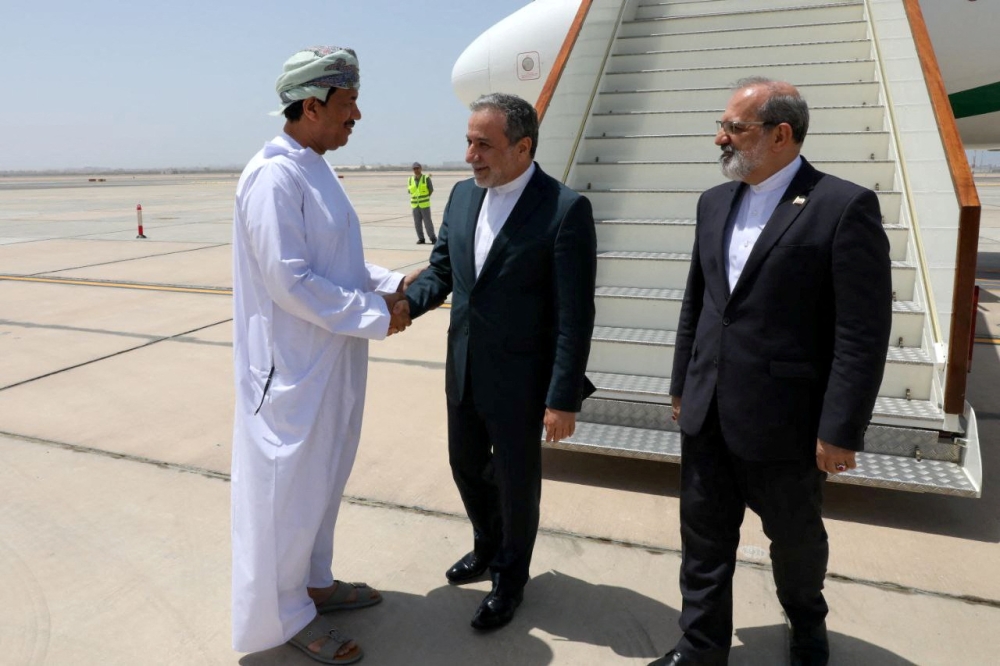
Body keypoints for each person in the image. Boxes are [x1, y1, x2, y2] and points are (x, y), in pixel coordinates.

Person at [652, 78, 892, 666]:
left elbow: (861, 332)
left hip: (787, 422)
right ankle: (701, 648)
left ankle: (807, 621)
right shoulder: (714, 201)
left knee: (796, 541)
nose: (720, 138)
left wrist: (841, 429)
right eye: (723, 124)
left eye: (734, 127)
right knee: (703, 540)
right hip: (708, 407)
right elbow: (699, 303)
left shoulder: (843, 206)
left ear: (781, 134)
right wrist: (683, 382)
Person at [230, 46, 412, 665]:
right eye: (346, 103)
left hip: (329, 358)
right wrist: (375, 314)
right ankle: (284, 617)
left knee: (322, 481)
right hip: (290, 368)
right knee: (287, 493)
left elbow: (340, 263)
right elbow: (291, 279)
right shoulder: (272, 176)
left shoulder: (315, 165)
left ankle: (313, 583)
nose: (356, 115)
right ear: (311, 106)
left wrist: (391, 283)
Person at [398, 92, 597, 630]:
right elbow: (441, 272)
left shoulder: (564, 209)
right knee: (465, 466)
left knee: (514, 481)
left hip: (521, 379)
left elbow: (574, 314)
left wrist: (561, 397)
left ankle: (512, 576)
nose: (470, 155)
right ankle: (487, 547)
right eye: (468, 141)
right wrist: (401, 308)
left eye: (483, 144)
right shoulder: (463, 197)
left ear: (523, 146)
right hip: (463, 366)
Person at [408, 162, 437, 244]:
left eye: (417, 168)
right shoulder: (410, 180)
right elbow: (410, 191)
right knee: (417, 223)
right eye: (414, 169)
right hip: (415, 205)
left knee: (428, 222)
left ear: (421, 169)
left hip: (424, 205)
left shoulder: (426, 178)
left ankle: (433, 238)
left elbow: (430, 190)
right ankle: (421, 238)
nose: (416, 170)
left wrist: (425, 198)